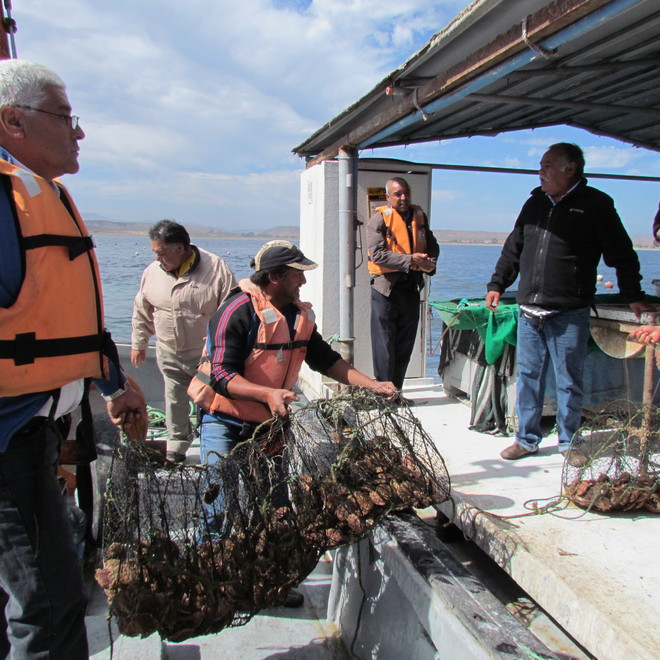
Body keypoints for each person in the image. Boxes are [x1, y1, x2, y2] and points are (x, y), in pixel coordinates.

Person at [0, 60, 146, 659]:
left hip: (32, 435)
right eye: (65, 117)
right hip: (6, 446)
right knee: (48, 604)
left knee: (49, 591)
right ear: (12, 121)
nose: (78, 132)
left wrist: (113, 384)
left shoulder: (43, 197)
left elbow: (65, 323)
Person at [188, 239, 397, 606]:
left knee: (276, 507)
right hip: (224, 420)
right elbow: (221, 374)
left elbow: (327, 360)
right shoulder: (236, 310)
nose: (302, 280)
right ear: (274, 276)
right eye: (297, 273)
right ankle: (213, 585)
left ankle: (274, 582)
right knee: (218, 504)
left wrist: (373, 384)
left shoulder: (299, 316)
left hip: (270, 426)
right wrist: (266, 393)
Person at [485, 142, 653, 466]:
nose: (541, 171)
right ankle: (527, 439)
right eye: (541, 165)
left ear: (570, 168)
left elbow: (622, 252)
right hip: (529, 311)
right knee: (529, 377)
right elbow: (513, 247)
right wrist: (497, 284)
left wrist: (633, 293)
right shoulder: (534, 202)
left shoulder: (597, 204)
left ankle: (568, 442)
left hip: (569, 312)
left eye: (547, 165)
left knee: (569, 381)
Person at [131, 220, 236, 462]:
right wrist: (139, 343)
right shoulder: (151, 272)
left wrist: (222, 353)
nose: (158, 259)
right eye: (155, 253)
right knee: (174, 397)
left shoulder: (217, 269)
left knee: (213, 400)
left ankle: (216, 447)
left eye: (162, 253)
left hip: (206, 354)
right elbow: (142, 310)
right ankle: (177, 444)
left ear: (180, 248)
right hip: (168, 351)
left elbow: (231, 314)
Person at [366, 176, 439, 391]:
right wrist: (410, 260)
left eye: (406, 192)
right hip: (386, 291)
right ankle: (385, 394)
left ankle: (396, 392)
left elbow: (432, 245)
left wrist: (430, 263)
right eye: (398, 194)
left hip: (411, 288)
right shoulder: (378, 220)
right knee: (384, 345)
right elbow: (377, 254)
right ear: (388, 197)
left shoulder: (419, 217)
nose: (403, 197)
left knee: (405, 344)